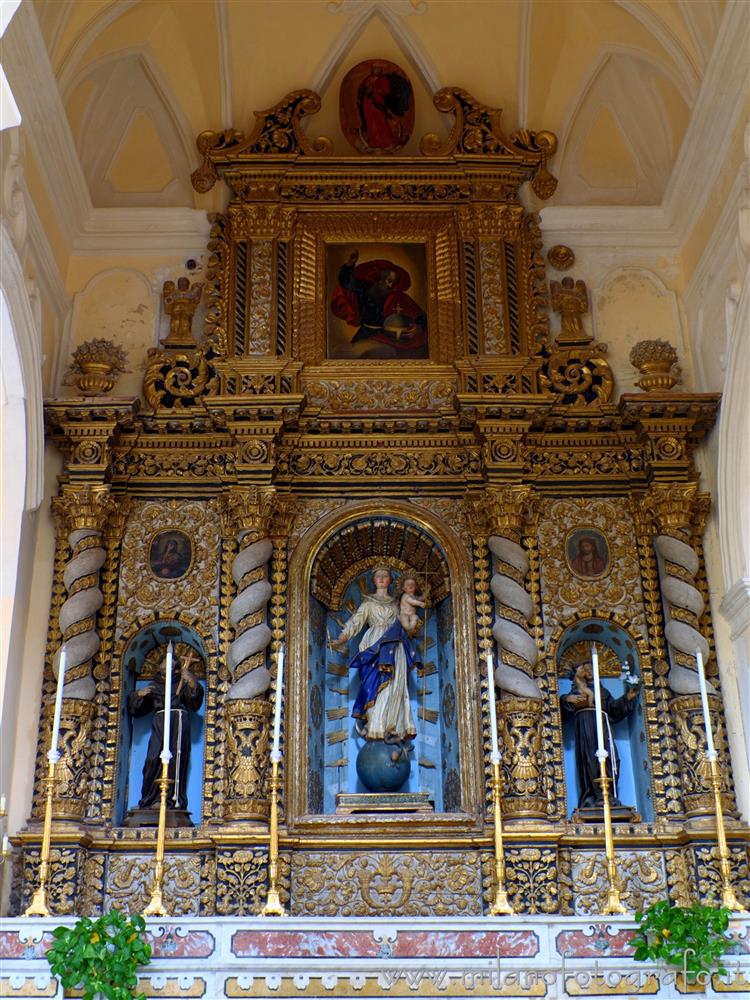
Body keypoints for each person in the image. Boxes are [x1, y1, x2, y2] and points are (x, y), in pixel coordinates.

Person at [330, 567, 421, 743]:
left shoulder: (397, 604)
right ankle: (375, 726)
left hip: (395, 646)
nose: (381, 578)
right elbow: (355, 623)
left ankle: (393, 726)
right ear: (373, 580)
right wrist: (340, 639)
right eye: (378, 576)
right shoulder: (368, 604)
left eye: (385, 576)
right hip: (374, 646)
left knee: (395, 685)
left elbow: (407, 623)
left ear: (390, 580)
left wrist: (413, 622)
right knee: (374, 683)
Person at [128, 648, 204, 812]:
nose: (168, 664)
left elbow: (194, 702)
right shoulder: (154, 684)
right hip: (160, 721)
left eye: (171, 661)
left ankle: (170, 800)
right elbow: (136, 709)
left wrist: (191, 682)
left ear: (176, 665)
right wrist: (139, 695)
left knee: (175, 758)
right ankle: (148, 799)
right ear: (159, 665)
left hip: (178, 720)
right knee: (152, 758)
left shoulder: (181, 681)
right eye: (165, 661)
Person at [561, 662, 638, 809]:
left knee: (611, 759)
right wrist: (566, 700)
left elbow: (614, 710)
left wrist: (628, 697)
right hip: (585, 729)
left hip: (603, 727)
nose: (589, 671)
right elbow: (562, 710)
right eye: (585, 668)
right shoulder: (576, 691)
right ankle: (592, 796)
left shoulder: (603, 692)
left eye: (592, 668)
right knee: (589, 760)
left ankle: (608, 795)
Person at [331, 251, 428, 359]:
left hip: (386, 336)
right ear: (381, 279)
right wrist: (349, 265)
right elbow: (346, 282)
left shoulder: (398, 296)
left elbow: (420, 316)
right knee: (352, 358)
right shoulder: (364, 288)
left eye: (394, 283)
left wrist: (417, 327)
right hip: (365, 332)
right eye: (389, 281)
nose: (391, 285)